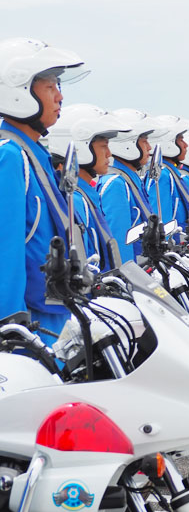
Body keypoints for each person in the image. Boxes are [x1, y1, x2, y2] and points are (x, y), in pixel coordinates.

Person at [0, 38, 89, 343]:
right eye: (50, 86)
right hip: (30, 329)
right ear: (19, 90)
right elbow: (4, 251)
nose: (60, 96)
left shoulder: (34, 154)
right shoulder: (9, 156)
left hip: (56, 318)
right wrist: (11, 329)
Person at [48, 104, 131, 272]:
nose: (109, 154)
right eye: (103, 146)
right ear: (80, 146)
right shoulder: (75, 201)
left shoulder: (84, 196)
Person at [97, 108, 160, 262]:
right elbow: (120, 242)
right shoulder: (116, 184)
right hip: (137, 272)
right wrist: (128, 278)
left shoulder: (131, 180)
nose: (149, 147)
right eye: (144, 141)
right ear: (128, 143)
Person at [147, 115, 189, 228]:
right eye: (181, 140)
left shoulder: (171, 173)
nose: (186, 145)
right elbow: (162, 221)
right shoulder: (163, 175)